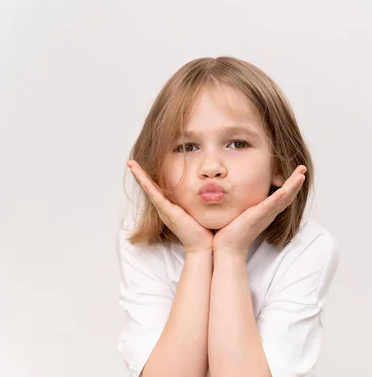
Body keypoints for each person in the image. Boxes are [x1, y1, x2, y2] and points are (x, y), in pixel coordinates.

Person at [116, 56, 340, 377]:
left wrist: (230, 253)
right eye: (187, 147)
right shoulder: (140, 243)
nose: (211, 167)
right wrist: (197, 252)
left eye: (237, 143)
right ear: (158, 169)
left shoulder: (310, 247)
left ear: (279, 164)